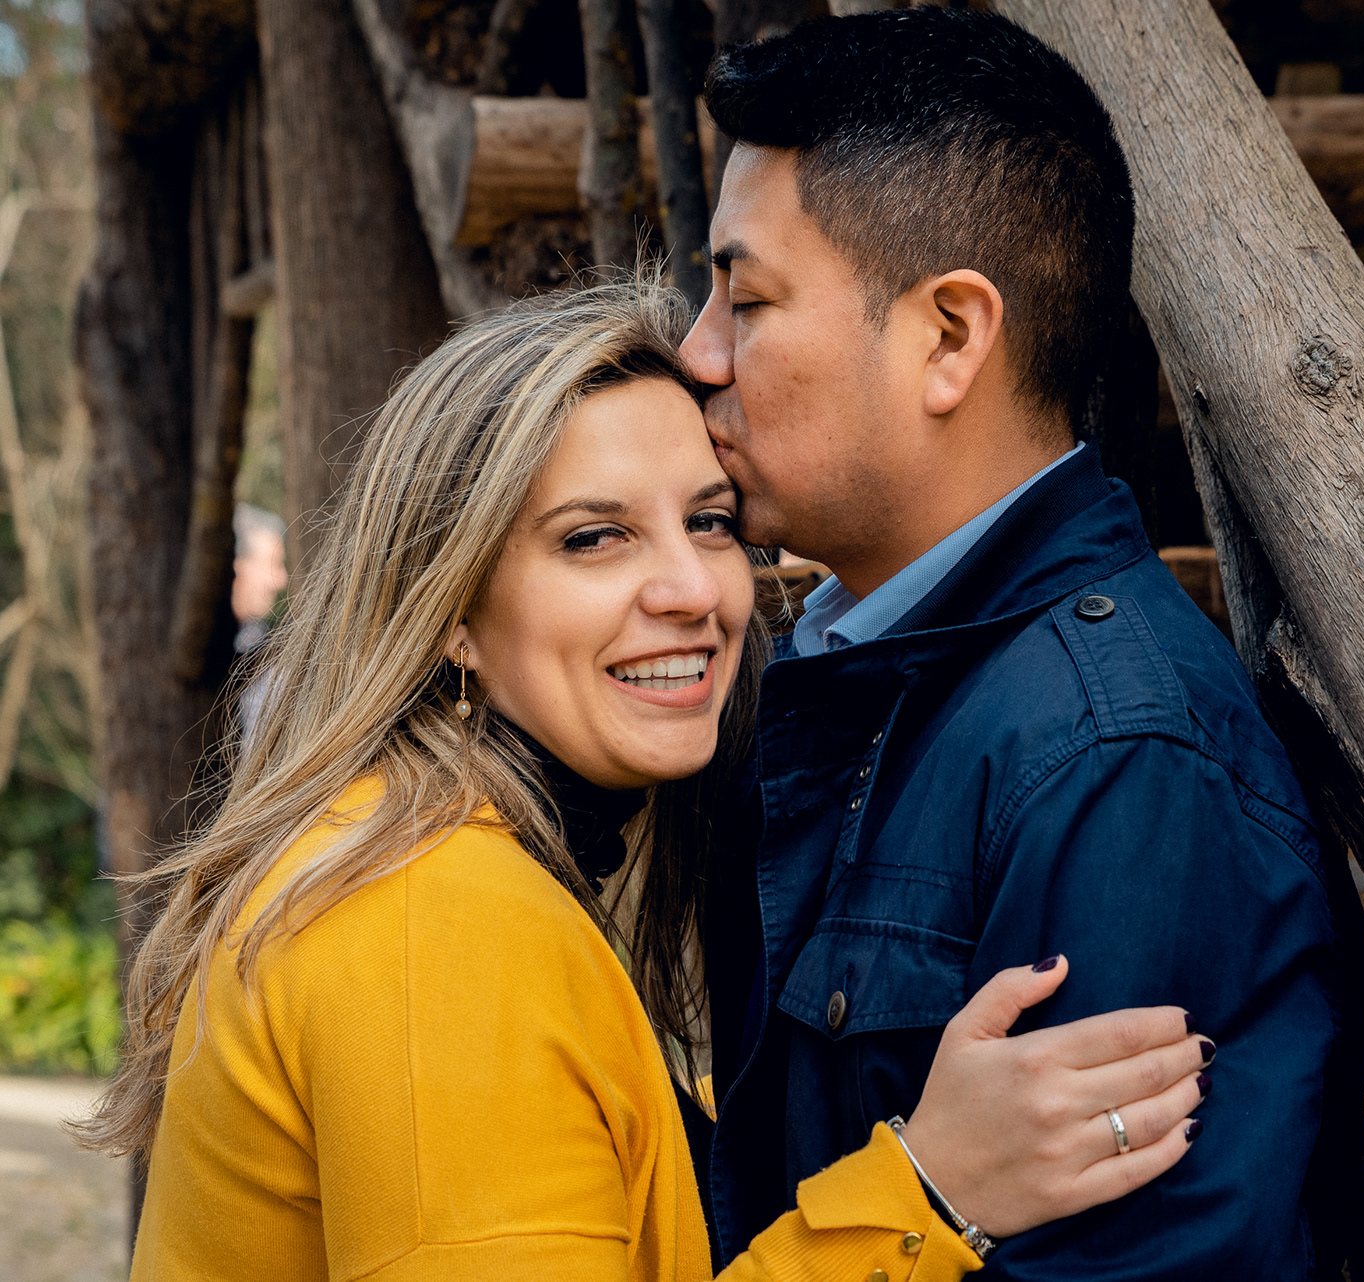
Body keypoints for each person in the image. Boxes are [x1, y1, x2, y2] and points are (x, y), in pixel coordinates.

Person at [77, 283, 1211, 1280]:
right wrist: (926, 1191)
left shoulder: (425, 858)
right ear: (454, 613)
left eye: (709, 523)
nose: (691, 589)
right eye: (593, 539)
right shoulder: (435, 923)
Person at [681, 9, 1364, 1278]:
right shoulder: (883, 676)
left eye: (747, 296)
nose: (697, 353)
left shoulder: (1112, 757)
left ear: (950, 336)